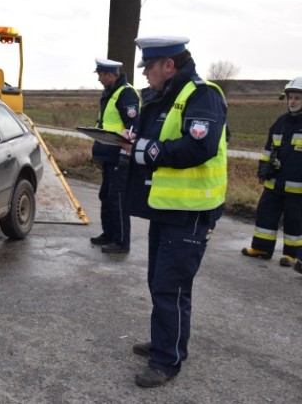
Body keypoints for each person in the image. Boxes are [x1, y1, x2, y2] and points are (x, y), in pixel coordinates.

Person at [119, 36, 228, 388]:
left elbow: (200, 146)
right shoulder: (165, 96)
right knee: (160, 282)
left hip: (191, 211)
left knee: (171, 288)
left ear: (169, 65)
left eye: (149, 67)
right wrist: (132, 141)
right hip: (167, 208)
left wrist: (147, 149)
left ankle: (166, 360)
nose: (146, 74)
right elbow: (153, 139)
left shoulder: (201, 95)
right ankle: (167, 341)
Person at [241, 77, 302, 273]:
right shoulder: (280, 123)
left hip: (298, 188)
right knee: (265, 214)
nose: (292, 101)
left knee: (295, 220)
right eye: (290, 97)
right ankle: (261, 248)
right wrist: (262, 167)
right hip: (274, 183)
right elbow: (268, 150)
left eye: (297, 98)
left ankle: (291, 254)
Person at [89, 58, 140, 254]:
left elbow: (133, 125)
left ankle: (121, 241)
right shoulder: (110, 92)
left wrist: (124, 149)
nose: (99, 79)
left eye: (101, 75)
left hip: (119, 154)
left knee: (117, 197)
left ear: (110, 74)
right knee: (106, 196)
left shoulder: (126, 93)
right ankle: (108, 234)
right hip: (107, 153)